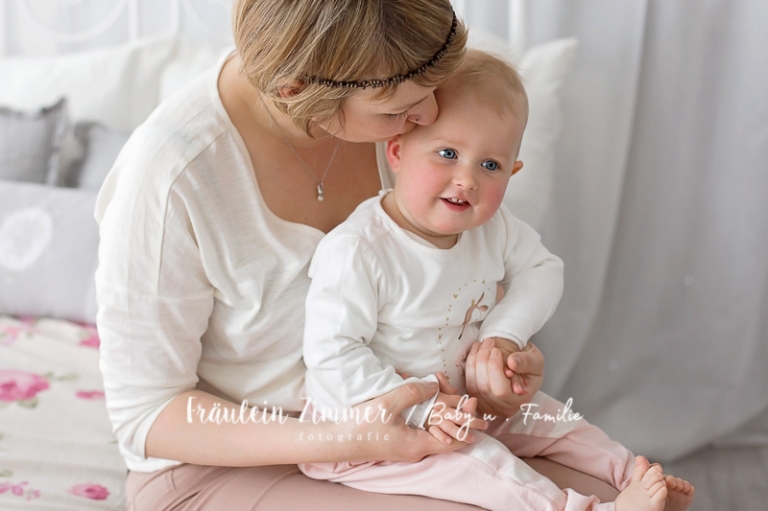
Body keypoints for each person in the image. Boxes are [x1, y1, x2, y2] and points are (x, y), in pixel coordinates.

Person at [95, 1, 637, 509]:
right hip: (226, 462)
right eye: (399, 108)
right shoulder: (171, 179)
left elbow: (452, 284)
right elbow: (146, 415)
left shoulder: (393, 109)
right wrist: (345, 435)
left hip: (411, 426)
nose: (428, 113)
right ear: (295, 88)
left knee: (619, 491)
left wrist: (497, 357)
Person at [300, 50, 696, 511]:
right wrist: (420, 409)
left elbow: (543, 269)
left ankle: (633, 474)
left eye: (490, 166)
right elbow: (332, 355)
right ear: (397, 153)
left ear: (513, 172)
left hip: (469, 402)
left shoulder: (495, 228)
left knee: (555, 419)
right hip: (376, 429)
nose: (466, 179)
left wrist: (504, 336)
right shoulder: (360, 250)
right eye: (447, 154)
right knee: (483, 464)